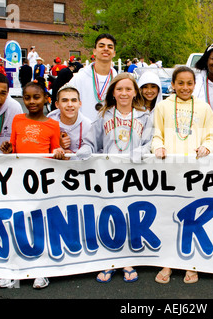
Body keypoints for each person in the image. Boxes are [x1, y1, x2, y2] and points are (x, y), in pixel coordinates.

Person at [152, 66, 213, 284]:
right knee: (169, 215)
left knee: (191, 215)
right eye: (180, 83)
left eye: (189, 83)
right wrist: (158, 148)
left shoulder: (203, 107)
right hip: (169, 170)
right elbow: (156, 135)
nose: (185, 87)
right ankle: (168, 261)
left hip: (195, 171)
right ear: (172, 84)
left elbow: (211, 135)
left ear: (195, 84)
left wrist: (207, 147)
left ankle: (191, 262)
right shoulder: (162, 106)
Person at [86, 73, 152, 283]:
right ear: (113, 93)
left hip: (135, 173)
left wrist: (144, 150)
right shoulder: (104, 115)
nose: (124, 93)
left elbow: (152, 141)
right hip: (109, 173)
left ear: (135, 92)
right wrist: (85, 150)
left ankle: (128, 260)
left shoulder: (145, 116)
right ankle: (108, 259)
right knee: (110, 214)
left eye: (128, 89)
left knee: (130, 214)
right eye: (119, 89)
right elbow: (91, 141)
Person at [0, 80, 65, 289]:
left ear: (46, 99)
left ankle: (40, 270)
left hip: (43, 181)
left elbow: (56, 152)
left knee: (40, 224)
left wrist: (60, 153)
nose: (31, 101)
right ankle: (15, 269)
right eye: (27, 97)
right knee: (18, 222)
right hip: (19, 179)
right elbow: (14, 149)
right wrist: (8, 149)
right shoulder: (18, 120)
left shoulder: (52, 124)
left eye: (36, 97)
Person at [67, 33, 118, 122]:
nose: (106, 49)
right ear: (94, 51)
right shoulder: (80, 78)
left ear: (114, 53)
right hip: (84, 132)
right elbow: (65, 104)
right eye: (102, 46)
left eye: (110, 47)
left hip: (110, 132)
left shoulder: (118, 80)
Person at [47, 84, 92, 159]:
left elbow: (96, 153)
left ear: (79, 104)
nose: (70, 104)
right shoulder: (49, 122)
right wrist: (57, 144)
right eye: (65, 100)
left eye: (74, 100)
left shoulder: (88, 125)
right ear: (57, 104)